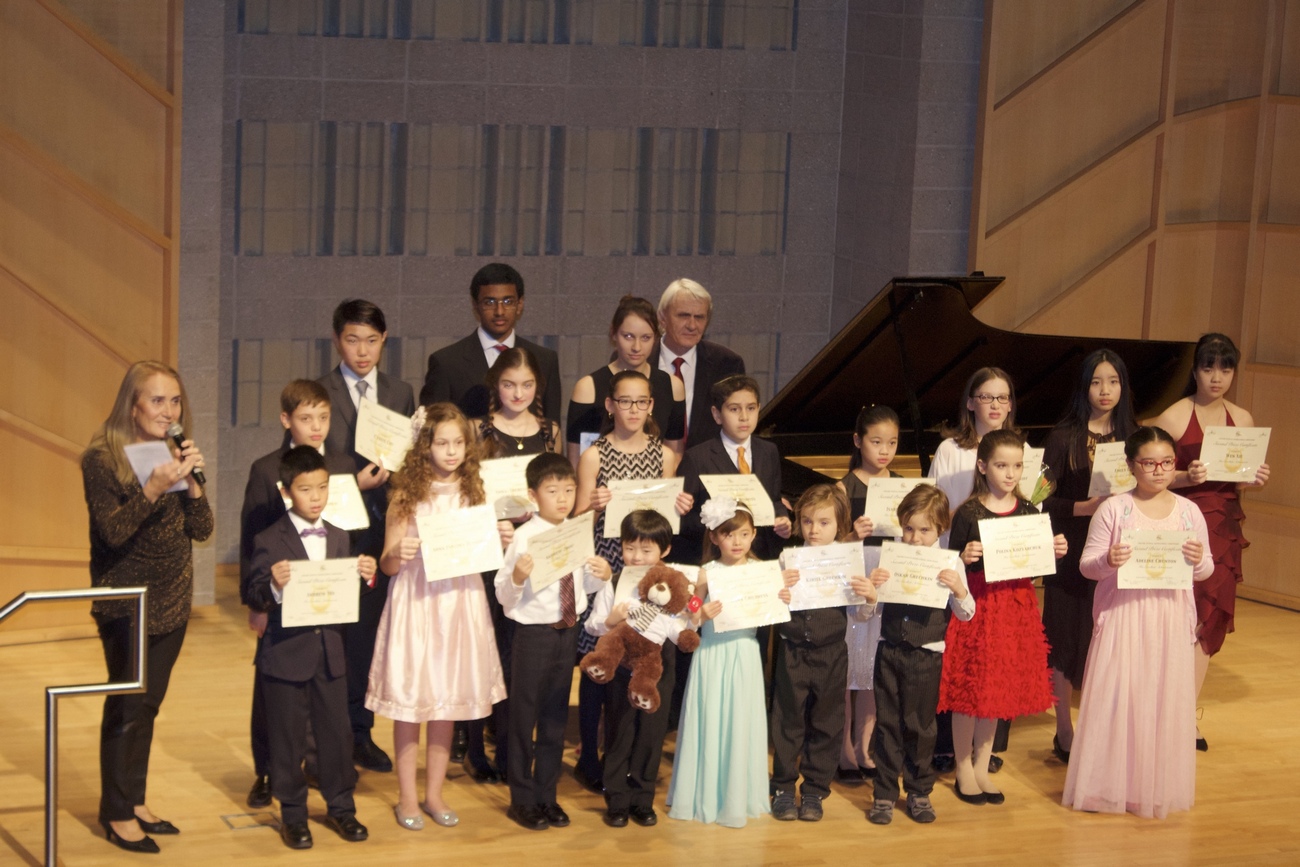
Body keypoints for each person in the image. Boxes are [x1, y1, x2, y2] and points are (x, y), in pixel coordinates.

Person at [82, 361, 213, 854]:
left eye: (175, 401)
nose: (169, 411)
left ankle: (133, 799)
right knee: (126, 708)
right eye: (157, 400)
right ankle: (116, 813)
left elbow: (202, 530)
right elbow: (113, 533)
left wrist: (193, 483)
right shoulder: (101, 459)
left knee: (149, 706)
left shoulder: (173, 450)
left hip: (173, 597)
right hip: (127, 601)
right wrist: (152, 488)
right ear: (132, 406)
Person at [366, 403, 507, 830]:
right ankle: (407, 797)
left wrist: (501, 538)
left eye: (458, 443)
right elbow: (387, 564)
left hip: (460, 602)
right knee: (412, 703)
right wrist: (397, 552)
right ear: (425, 445)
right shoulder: (407, 494)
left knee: (446, 700)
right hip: (418, 601)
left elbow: (484, 552)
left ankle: (434, 793)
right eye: (442, 443)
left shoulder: (475, 491)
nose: (451, 451)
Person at [1063, 426, 1214, 818]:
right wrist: (1108, 560)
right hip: (1124, 615)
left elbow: (1206, 570)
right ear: (1131, 465)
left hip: (1169, 616)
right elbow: (1087, 565)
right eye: (1149, 463)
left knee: (1160, 698)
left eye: (1167, 462)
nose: (1159, 470)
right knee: (1119, 697)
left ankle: (1153, 786)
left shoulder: (1189, 511)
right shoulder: (1115, 509)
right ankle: (1106, 787)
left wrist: (1198, 559)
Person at [246, 446, 376, 849]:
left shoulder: (338, 535)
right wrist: (273, 585)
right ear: (287, 492)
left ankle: (342, 808)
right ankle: (293, 814)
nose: (316, 497)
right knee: (286, 739)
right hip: (286, 655)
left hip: (330, 653)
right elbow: (254, 593)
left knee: (336, 736)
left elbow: (342, 593)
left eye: (322, 487)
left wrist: (364, 576)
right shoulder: (269, 539)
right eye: (305, 489)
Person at [1145, 333, 1270, 751]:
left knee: (1211, 617)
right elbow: (1147, 474)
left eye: (1225, 368)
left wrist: (1253, 479)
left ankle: (1184, 713)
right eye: (1208, 367)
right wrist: (1185, 476)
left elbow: (1239, 480)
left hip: (1225, 524)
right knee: (1179, 617)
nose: (1217, 377)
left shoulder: (1243, 419)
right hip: (1183, 524)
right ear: (1195, 370)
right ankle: (1163, 710)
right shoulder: (1174, 415)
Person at [571, 370, 693, 790]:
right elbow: (579, 522)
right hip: (610, 565)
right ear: (610, 405)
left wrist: (680, 506)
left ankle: (626, 757)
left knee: (642, 657)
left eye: (642, 402)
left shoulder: (665, 455)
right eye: (625, 401)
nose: (634, 409)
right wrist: (592, 504)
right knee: (600, 656)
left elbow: (665, 528)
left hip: (648, 572)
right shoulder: (594, 455)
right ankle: (589, 757)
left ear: (652, 406)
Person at [239, 379, 357, 808]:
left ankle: (324, 770)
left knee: (328, 691)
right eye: (307, 418)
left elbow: (349, 529)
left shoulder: (342, 464)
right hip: (280, 599)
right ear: (287, 420)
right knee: (275, 693)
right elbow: (253, 539)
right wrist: (255, 602)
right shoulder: (267, 469)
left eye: (324, 417)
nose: (316, 426)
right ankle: (269, 770)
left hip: (329, 600)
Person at [318, 298, 415, 773]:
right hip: (334, 533)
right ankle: (326, 738)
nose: (362, 351)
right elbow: (302, 467)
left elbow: (411, 459)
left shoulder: (400, 392)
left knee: (368, 639)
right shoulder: (319, 393)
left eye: (372, 341)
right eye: (353, 340)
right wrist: (352, 483)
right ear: (337, 340)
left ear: (384, 341)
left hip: (383, 533)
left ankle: (360, 733)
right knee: (331, 637)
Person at [941, 430, 1063, 805]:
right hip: (978, 607)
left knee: (997, 687)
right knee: (971, 688)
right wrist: (963, 557)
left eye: (1017, 466)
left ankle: (982, 765)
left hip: (1014, 607)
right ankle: (962, 766)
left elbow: (1034, 568)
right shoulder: (968, 512)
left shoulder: (1028, 511)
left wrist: (1053, 552)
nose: (1010, 474)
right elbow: (950, 565)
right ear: (982, 466)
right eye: (1001, 465)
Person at [495, 453, 613, 830]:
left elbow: (583, 585)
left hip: (567, 631)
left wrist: (601, 575)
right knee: (523, 717)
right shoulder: (524, 537)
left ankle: (547, 795)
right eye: (552, 491)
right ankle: (522, 798)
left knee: (555, 717)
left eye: (569, 490)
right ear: (533, 495)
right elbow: (504, 595)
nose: (562, 498)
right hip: (533, 635)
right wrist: (517, 576)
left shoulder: (577, 531)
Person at [462, 347, 562, 785]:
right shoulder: (476, 429)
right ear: (495, 385)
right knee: (485, 651)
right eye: (508, 384)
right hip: (490, 555)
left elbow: (558, 492)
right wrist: (491, 525)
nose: (518, 393)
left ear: (538, 386)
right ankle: (475, 749)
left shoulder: (551, 431)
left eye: (526, 385)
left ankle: (508, 751)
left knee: (517, 656)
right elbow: (465, 493)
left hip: (532, 557)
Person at [667, 499, 792, 828]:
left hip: (745, 654)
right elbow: (690, 613)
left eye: (744, 534)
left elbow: (774, 609)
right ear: (714, 537)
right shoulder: (705, 574)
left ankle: (739, 795)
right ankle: (706, 795)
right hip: (711, 654)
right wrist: (701, 614)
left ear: (754, 535)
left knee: (740, 721)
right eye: (728, 534)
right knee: (710, 718)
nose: (737, 541)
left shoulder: (762, 571)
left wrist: (782, 598)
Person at [1040, 350, 1138, 761]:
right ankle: (1064, 730)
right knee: (1064, 640)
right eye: (1096, 382)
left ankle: (1104, 732)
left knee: (1109, 641)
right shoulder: (1062, 437)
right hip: (1070, 550)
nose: (1105, 390)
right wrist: (1084, 507)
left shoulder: (1136, 437)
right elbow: (1040, 500)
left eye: (1113, 381)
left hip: (1119, 554)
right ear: (1084, 387)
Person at [926, 366, 1019, 773]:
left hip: (1002, 572)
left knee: (996, 660)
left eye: (1003, 397)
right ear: (970, 402)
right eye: (986, 396)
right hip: (959, 561)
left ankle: (987, 748)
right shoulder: (951, 449)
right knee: (960, 660)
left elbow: (1027, 508)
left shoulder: (1021, 449)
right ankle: (949, 747)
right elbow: (934, 503)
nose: (995, 405)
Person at [864, 484, 973, 826]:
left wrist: (959, 589)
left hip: (927, 655)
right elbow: (867, 614)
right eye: (909, 529)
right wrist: (872, 591)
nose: (914, 538)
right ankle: (884, 793)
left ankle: (918, 790)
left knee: (921, 726)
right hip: (889, 649)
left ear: (941, 528)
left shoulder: (951, 562)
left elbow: (967, 613)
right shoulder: (890, 558)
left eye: (924, 530)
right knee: (887, 724)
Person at [769, 484, 870, 822]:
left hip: (831, 652)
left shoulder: (848, 559)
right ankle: (783, 787)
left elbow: (860, 613)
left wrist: (868, 597)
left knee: (827, 721)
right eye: (808, 521)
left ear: (840, 525)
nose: (814, 530)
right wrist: (778, 592)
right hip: (793, 650)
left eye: (824, 523)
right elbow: (770, 607)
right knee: (788, 720)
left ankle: (814, 790)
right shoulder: (788, 558)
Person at [584, 510, 690, 827]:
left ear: (664, 550)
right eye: (630, 548)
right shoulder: (615, 582)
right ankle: (617, 799)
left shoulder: (676, 584)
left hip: (659, 671)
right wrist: (611, 621)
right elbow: (592, 625)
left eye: (646, 550)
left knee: (651, 734)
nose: (637, 557)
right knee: (620, 732)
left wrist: (695, 618)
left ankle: (642, 799)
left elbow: (684, 625)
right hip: (621, 670)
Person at [835, 405, 902, 782]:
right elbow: (827, 547)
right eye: (876, 442)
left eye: (892, 443)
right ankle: (843, 749)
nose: (884, 450)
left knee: (876, 667)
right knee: (850, 666)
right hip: (856, 577)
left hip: (888, 577)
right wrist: (851, 535)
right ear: (858, 441)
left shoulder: (903, 486)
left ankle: (865, 746)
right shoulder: (843, 487)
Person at [419, 263, 562, 420]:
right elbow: (431, 428)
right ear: (475, 305)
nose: (499, 311)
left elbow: (551, 427)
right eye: (490, 302)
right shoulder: (446, 363)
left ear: (519, 305)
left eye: (508, 302)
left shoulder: (545, 360)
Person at [676, 374, 792, 564]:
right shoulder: (697, 458)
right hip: (716, 558)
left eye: (751, 408)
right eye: (734, 409)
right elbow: (683, 518)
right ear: (717, 414)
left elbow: (774, 499)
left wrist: (781, 518)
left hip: (760, 555)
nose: (744, 417)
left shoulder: (768, 451)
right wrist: (716, 525)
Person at [567, 295, 686, 465]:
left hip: (654, 479)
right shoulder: (588, 387)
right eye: (628, 336)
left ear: (656, 338)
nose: (637, 347)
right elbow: (575, 459)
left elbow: (674, 453)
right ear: (614, 334)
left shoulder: (672, 386)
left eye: (646, 338)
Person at [656, 278, 746, 450]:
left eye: (699, 317)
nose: (692, 325)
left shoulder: (728, 364)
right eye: (683, 316)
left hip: (707, 465)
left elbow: (734, 429)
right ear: (662, 318)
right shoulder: (636, 360)